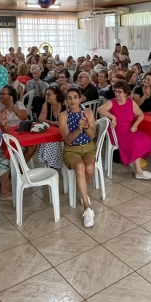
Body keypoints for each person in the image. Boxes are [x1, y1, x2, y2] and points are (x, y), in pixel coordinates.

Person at [97, 80, 151, 179]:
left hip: (128, 129)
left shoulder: (130, 102)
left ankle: (134, 162)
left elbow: (141, 115)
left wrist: (135, 125)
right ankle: (139, 171)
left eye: (119, 92)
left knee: (146, 138)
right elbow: (100, 109)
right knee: (135, 142)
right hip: (116, 131)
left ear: (125, 93)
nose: (117, 94)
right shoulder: (113, 102)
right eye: (115, 91)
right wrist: (113, 117)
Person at [59, 88, 98, 226]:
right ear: (66, 101)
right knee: (80, 167)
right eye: (69, 98)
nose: (73, 100)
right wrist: (78, 130)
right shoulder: (63, 116)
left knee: (90, 169)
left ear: (80, 99)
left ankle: (82, 190)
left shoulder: (88, 112)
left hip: (88, 148)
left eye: (75, 97)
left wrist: (86, 126)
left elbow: (93, 135)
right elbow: (67, 140)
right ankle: (87, 208)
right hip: (71, 150)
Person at [0, 86, 29, 198]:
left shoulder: (18, 104)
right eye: (0, 93)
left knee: (32, 146)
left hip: (19, 134)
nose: (0, 96)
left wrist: (12, 107)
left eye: (3, 94)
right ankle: (3, 187)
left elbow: (24, 117)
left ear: (10, 96)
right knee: (8, 154)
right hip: (4, 135)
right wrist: (3, 112)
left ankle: (18, 170)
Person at [35, 87, 65, 169]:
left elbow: (66, 122)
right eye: (46, 94)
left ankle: (52, 164)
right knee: (48, 141)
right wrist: (54, 123)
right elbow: (40, 119)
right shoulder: (46, 105)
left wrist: (48, 122)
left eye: (49, 94)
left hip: (64, 133)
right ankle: (51, 164)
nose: (46, 96)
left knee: (51, 142)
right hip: (52, 133)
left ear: (57, 95)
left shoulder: (64, 104)